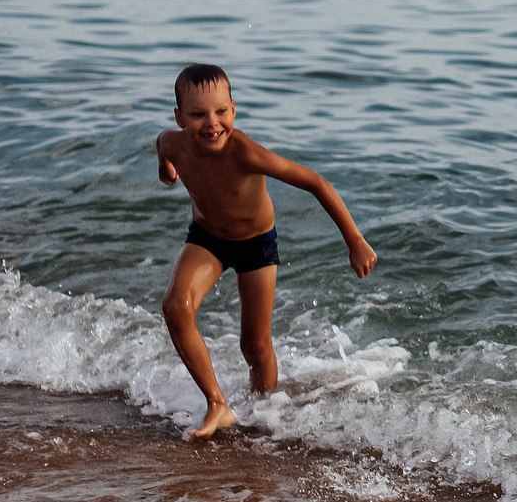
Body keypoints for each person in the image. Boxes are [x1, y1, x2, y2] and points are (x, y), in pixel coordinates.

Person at [155, 63, 377, 438]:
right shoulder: (172, 142)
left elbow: (316, 183)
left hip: (256, 245)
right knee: (176, 306)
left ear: (234, 109)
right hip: (206, 238)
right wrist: (167, 170)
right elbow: (162, 149)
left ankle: (265, 413)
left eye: (221, 111)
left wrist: (355, 240)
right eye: (197, 115)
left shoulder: (245, 152)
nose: (212, 123)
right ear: (179, 117)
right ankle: (218, 405)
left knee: (254, 345)